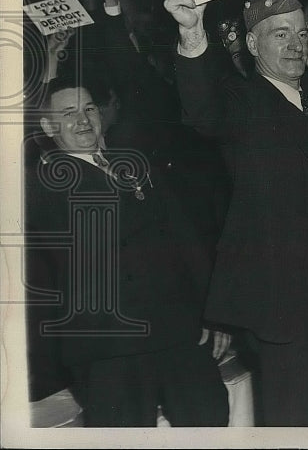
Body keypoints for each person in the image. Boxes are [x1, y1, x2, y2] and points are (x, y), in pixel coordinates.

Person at [163, 0, 308, 426]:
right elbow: (203, 110)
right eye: (280, 34)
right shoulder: (241, 100)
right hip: (284, 303)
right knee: (300, 422)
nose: (295, 44)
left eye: (301, 33)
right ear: (251, 45)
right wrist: (191, 33)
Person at [25, 73, 230, 427]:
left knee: (209, 424)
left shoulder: (134, 162)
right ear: (47, 126)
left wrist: (214, 313)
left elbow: (186, 239)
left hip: (178, 333)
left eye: (89, 108)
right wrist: (44, 67)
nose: (83, 120)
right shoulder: (42, 185)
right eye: (68, 113)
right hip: (109, 350)